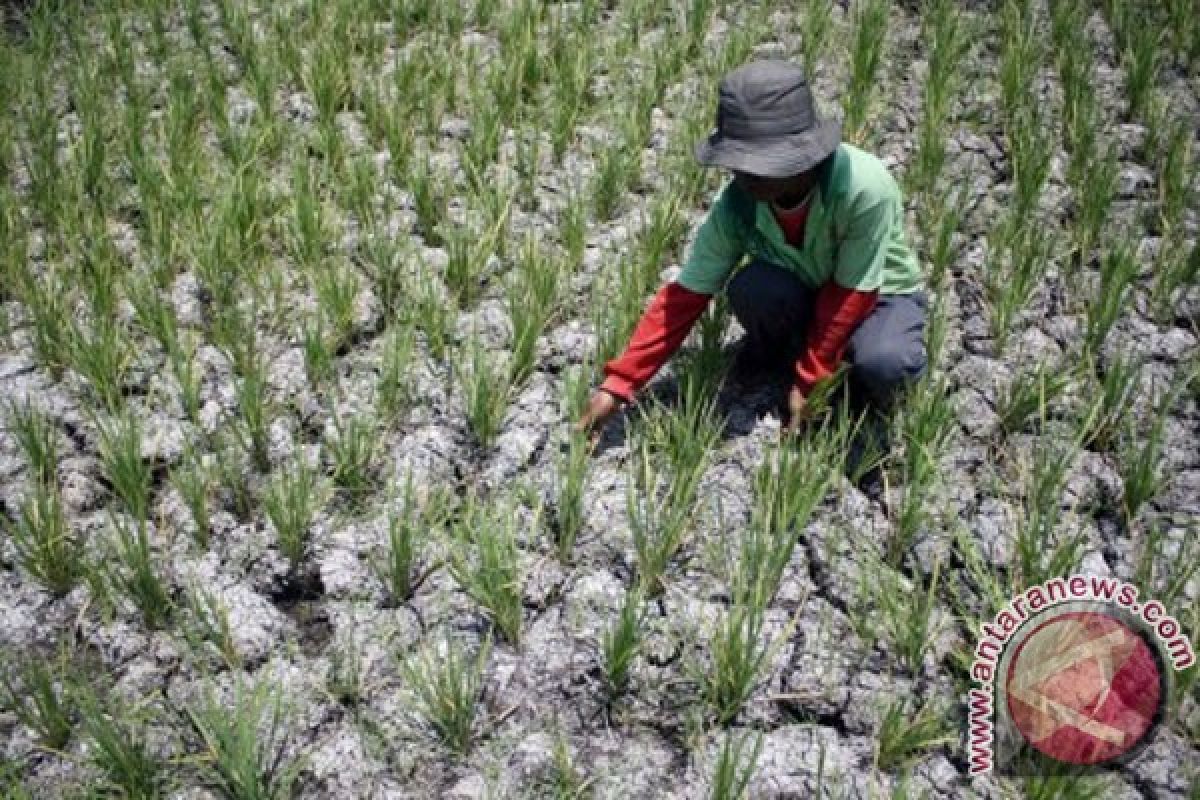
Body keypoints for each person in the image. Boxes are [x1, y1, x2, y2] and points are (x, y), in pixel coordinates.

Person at [576, 59, 928, 443]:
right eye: (736, 165)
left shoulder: (862, 187)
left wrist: (811, 382)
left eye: (758, 166)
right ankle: (793, 362)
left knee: (885, 362)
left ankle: (854, 387)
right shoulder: (739, 202)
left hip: (877, 295)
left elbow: (851, 294)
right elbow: (685, 296)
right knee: (753, 287)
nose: (742, 177)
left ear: (802, 157)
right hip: (807, 290)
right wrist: (620, 383)